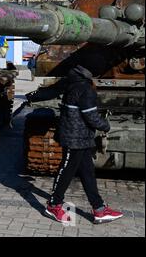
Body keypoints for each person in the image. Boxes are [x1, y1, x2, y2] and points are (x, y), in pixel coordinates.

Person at [26, 64, 123, 224]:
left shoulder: (72, 83)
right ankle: (54, 205)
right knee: (66, 171)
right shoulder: (85, 89)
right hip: (74, 138)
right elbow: (91, 116)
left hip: (81, 138)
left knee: (87, 173)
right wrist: (105, 125)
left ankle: (99, 209)